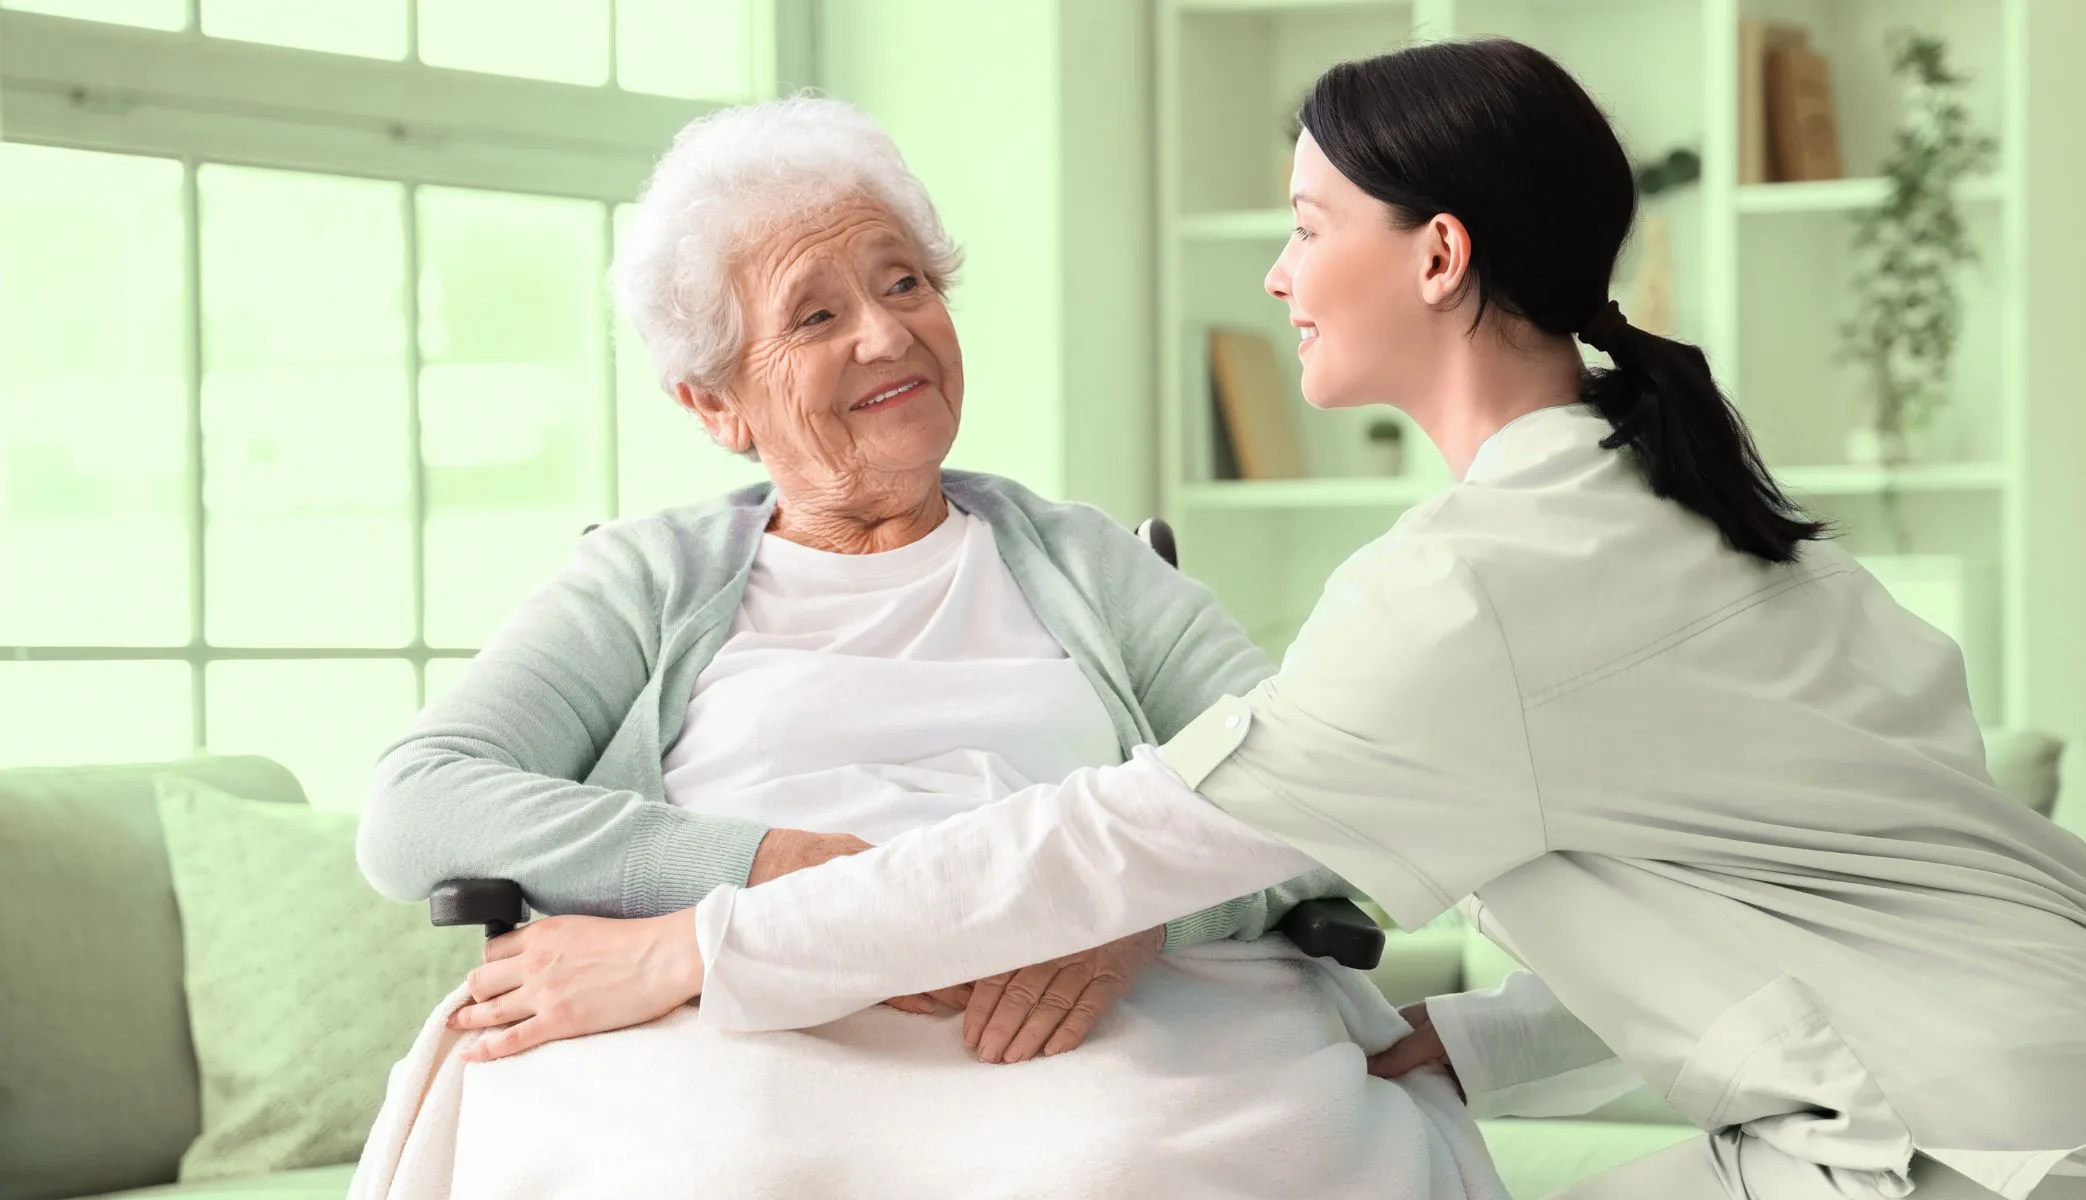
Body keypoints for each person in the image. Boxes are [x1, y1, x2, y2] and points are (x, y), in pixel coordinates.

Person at [456, 41, 2086, 1200]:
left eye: (1308, 217)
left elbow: (1125, 832)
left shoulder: (1475, 586)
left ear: (1439, 253)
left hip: (2003, 1156)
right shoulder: (1704, 511)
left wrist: (694, 949)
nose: (1271, 268)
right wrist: (1461, 1044)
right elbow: (1817, 917)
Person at [350, 95, 1503, 1199]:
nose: (888, 331)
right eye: (816, 314)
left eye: (905, 283)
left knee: (1124, 1161)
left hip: (1071, 1015)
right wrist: (770, 869)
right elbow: (419, 806)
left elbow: (1321, 797)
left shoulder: (1093, 565)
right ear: (716, 404)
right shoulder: (645, 581)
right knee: (708, 1170)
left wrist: (1139, 913)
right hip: (734, 1013)